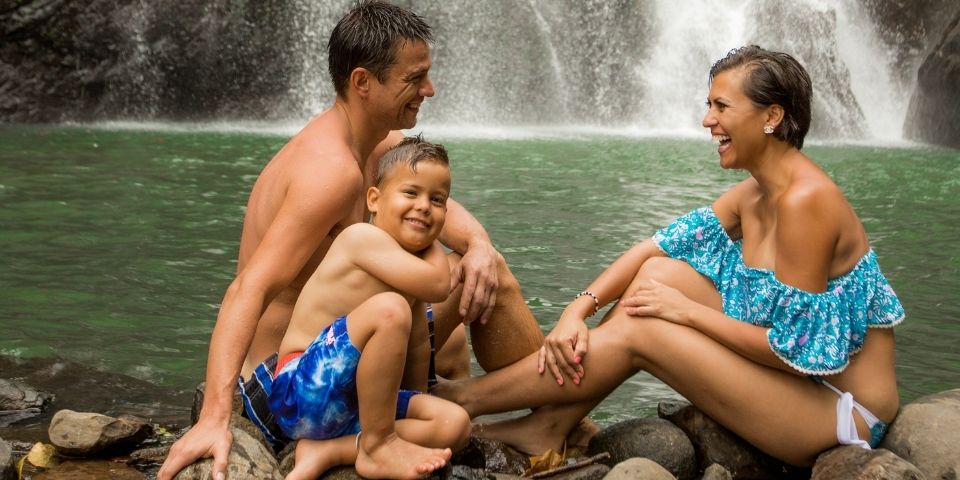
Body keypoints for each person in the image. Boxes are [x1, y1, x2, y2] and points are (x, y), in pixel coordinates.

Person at [434, 45, 905, 466]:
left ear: (771, 116)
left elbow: (798, 353)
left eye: (721, 106)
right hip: (797, 385)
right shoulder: (754, 195)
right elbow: (653, 249)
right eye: (709, 106)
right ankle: (550, 426)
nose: (708, 121)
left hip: (839, 414)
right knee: (657, 274)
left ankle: (465, 398)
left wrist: (686, 314)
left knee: (646, 326)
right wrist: (577, 309)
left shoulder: (807, 203)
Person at [158, 3, 543, 479]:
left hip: (349, 357)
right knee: (470, 282)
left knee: (481, 269)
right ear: (363, 82)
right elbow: (247, 289)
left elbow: (441, 208)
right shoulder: (331, 172)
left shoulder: (376, 145)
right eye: (415, 77)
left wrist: (479, 244)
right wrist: (214, 417)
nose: (429, 89)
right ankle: (545, 424)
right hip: (298, 384)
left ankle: (522, 422)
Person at [270, 136, 470, 480]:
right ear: (374, 200)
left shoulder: (410, 269)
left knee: (456, 423)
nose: (424, 206)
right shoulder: (360, 238)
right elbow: (440, 284)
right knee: (391, 309)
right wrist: (434, 243)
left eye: (437, 200)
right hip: (303, 389)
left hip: (358, 403)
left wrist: (416, 401)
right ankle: (378, 447)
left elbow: (418, 344)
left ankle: (331, 451)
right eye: (411, 193)